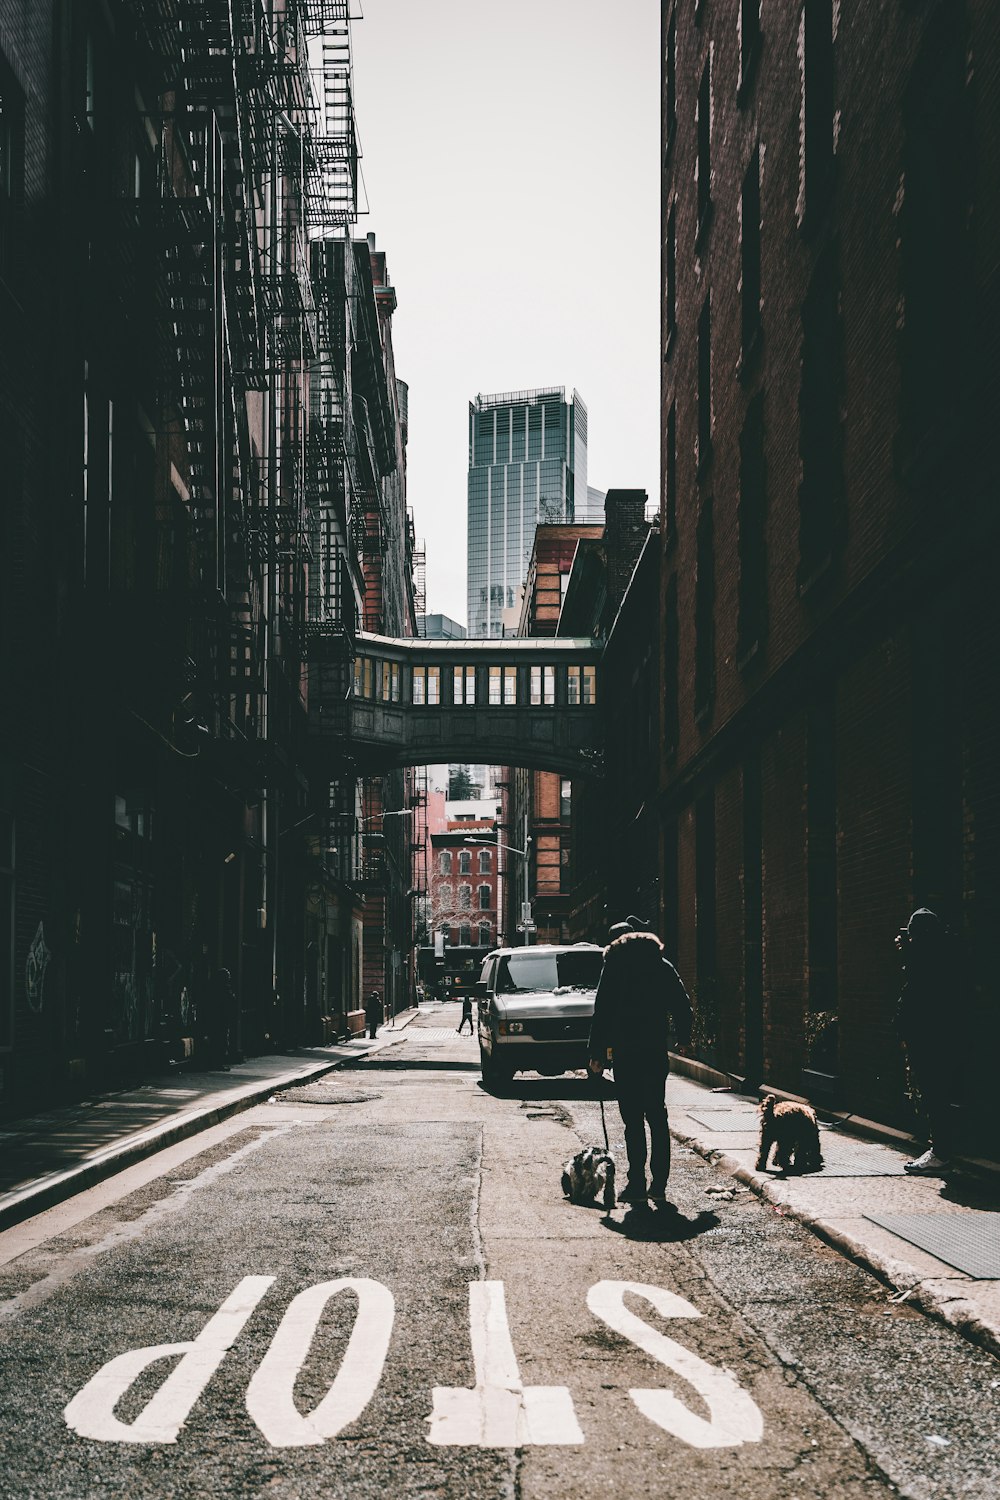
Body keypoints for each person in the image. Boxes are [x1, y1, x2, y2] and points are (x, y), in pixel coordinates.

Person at [588, 916, 692, 1206]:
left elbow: (602, 1011)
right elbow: (682, 1005)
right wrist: (683, 1037)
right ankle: (659, 1185)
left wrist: (596, 1053)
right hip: (654, 1052)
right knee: (657, 1117)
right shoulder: (661, 967)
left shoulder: (615, 968)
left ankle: (636, 1182)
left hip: (625, 1054)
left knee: (632, 1121)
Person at [896, 908, 959, 1174]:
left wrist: (908, 954)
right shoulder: (944, 952)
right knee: (938, 1093)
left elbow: (917, 995)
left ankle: (940, 1153)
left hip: (929, 1037)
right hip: (939, 1035)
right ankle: (941, 1149)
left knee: (935, 1094)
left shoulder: (924, 958)